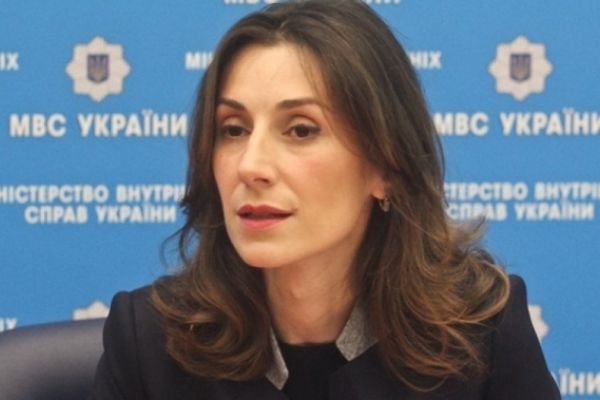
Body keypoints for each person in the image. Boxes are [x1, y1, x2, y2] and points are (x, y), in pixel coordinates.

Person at [91, 1, 560, 399]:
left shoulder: (480, 332)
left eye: (300, 130)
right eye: (233, 130)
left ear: (385, 166)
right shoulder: (150, 341)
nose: (250, 166)